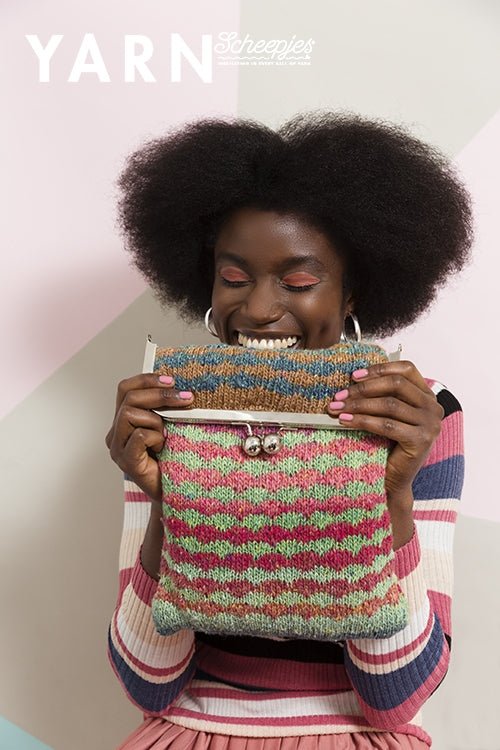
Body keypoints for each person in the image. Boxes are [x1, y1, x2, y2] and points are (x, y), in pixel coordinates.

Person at [106, 112, 471, 749]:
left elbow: (397, 699)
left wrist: (392, 494)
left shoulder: (419, 414)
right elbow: (147, 686)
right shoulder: (173, 404)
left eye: (298, 282)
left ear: (352, 293)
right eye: (234, 279)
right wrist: (170, 498)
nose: (258, 309)